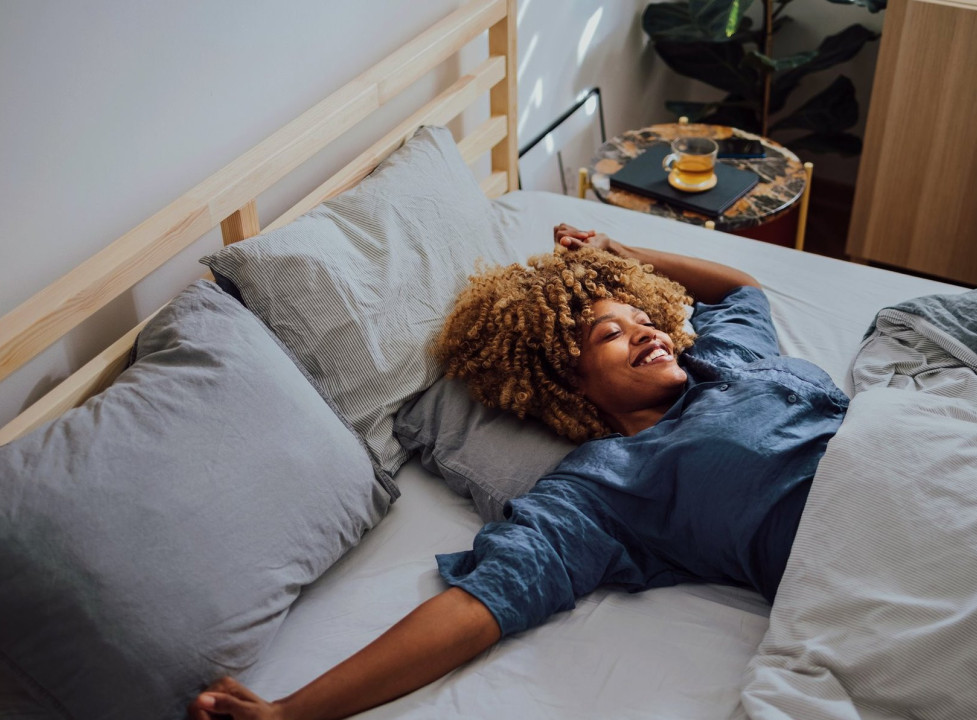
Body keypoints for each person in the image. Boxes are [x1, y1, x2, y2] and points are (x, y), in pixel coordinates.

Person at [187, 224, 849, 720]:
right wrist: (289, 712)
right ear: (569, 380)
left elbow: (741, 291)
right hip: (860, 545)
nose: (651, 333)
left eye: (646, 320)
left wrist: (618, 256)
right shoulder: (606, 489)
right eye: (610, 335)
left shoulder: (722, 353)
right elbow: (482, 604)